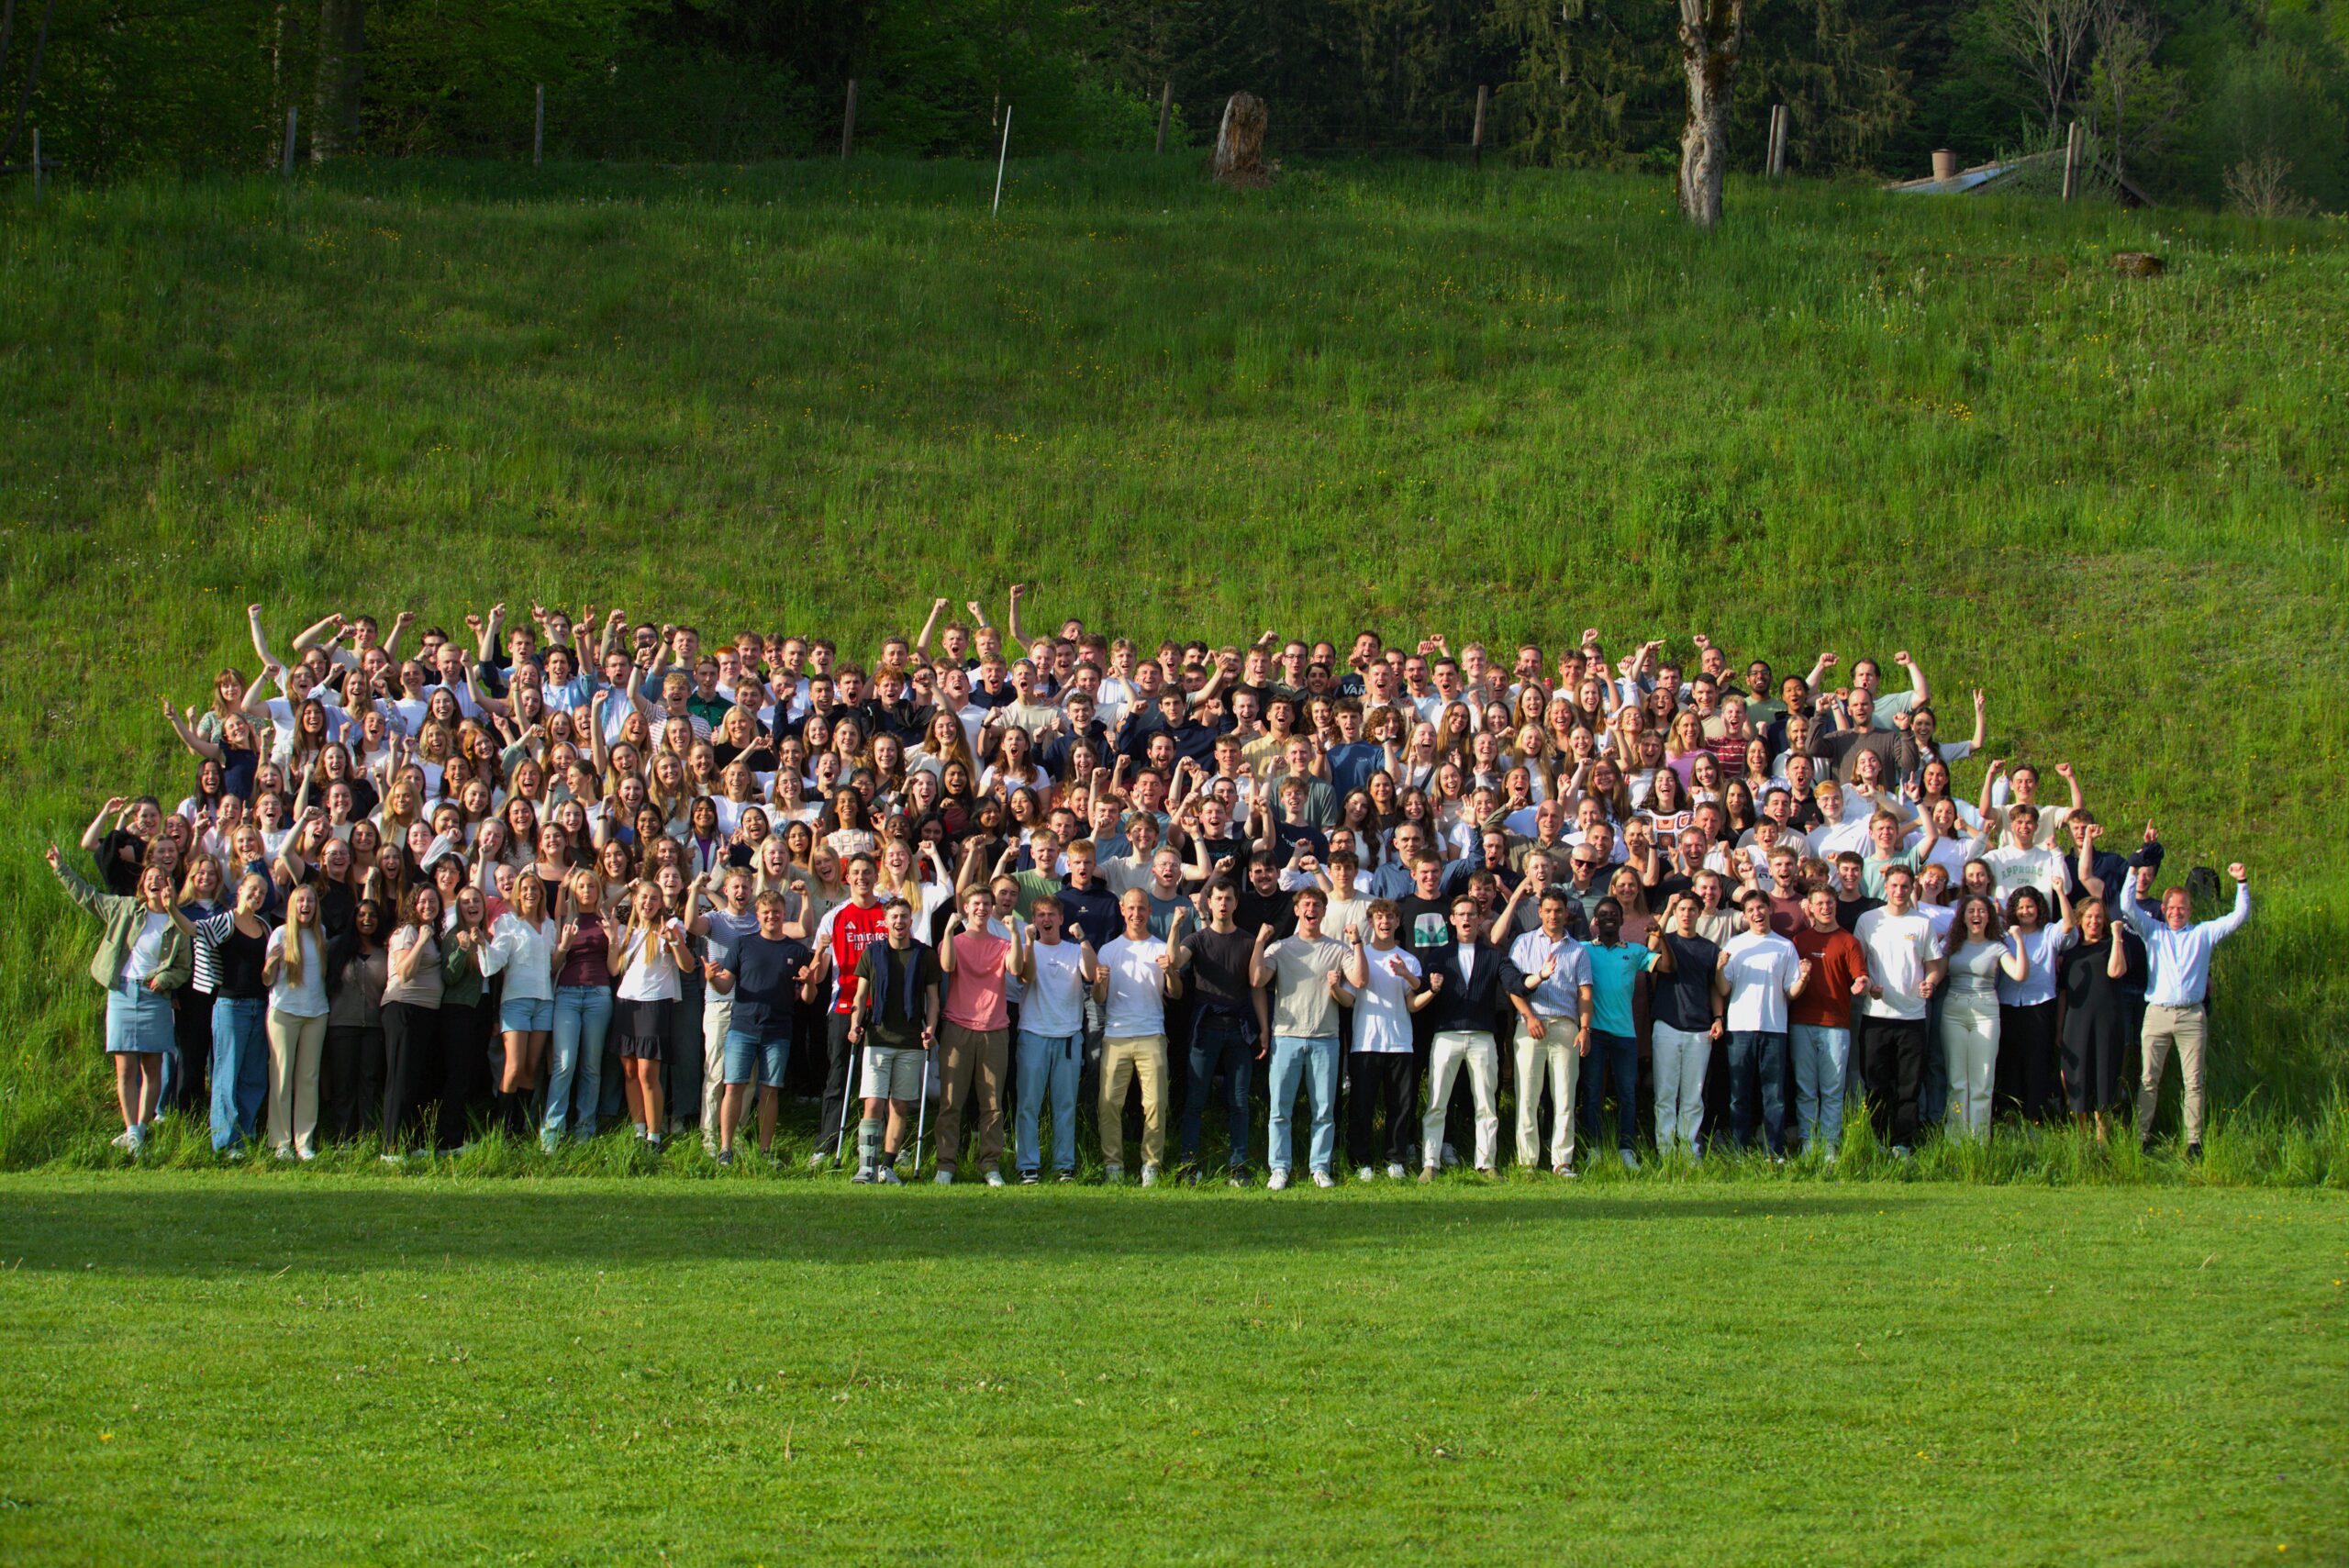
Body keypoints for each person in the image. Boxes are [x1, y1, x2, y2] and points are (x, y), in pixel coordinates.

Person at [44, 844, 191, 1155]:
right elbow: (89, 897)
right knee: (125, 1069)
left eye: (161, 879)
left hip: (155, 996)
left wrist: (165, 980)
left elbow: (183, 968)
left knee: (152, 1067)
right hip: (122, 993)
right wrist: (61, 869)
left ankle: (141, 1129)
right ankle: (132, 1130)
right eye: (150, 878)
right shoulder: (125, 909)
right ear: (143, 886)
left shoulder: (177, 922)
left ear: (169, 886)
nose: (155, 882)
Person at [2120, 860, 2250, 1160]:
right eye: (2172, 908)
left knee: (2194, 1082)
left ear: (2190, 910)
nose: (2177, 912)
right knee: (2148, 1080)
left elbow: (2239, 917)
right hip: (2157, 1014)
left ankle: (2194, 1142)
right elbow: (2127, 905)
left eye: (2182, 908)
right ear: (2163, 910)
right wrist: (2133, 870)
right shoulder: (2153, 931)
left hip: (2191, 1016)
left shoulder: (2203, 934)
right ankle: (2141, 1137)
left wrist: (2242, 883)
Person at [707, 891, 818, 1165]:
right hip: (742, 1027)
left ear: (784, 914)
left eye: (776, 912)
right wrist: (711, 978)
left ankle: (765, 1151)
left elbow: (808, 998)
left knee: (770, 1091)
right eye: (766, 912)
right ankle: (725, 1149)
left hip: (778, 1030)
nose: (771, 917)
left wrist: (810, 982)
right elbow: (725, 985)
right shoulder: (743, 944)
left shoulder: (796, 950)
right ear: (757, 916)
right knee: (733, 1087)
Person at [1252, 885, 1352, 1190]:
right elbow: (1256, 979)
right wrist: (1260, 942)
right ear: (1297, 911)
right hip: (1286, 1038)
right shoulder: (1280, 948)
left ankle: (1320, 1167)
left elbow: (1357, 985)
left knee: (1323, 1111)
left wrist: (1357, 944)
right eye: (1306, 904)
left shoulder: (1339, 949)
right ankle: (1279, 1168)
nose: (1311, 909)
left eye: (1317, 905)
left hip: (1325, 1038)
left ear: (1324, 911)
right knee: (1280, 1110)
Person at [1418, 894, 1520, 1179]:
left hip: (1482, 1035)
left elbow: (1514, 983)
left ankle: (1487, 1163)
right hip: (1446, 1034)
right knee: (1437, 1102)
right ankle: (1430, 1163)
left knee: (1486, 1103)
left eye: (1471, 914)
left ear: (1478, 919)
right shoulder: (1438, 956)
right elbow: (1422, 991)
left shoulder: (1494, 955)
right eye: (1461, 914)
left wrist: (1539, 977)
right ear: (1452, 920)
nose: (1466, 919)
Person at [846, 897, 941, 1183]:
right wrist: (854, 1025)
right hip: (877, 1038)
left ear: (911, 920)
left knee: (900, 1105)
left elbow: (933, 1000)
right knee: (873, 1104)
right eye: (894, 917)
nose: (899, 922)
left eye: (904, 917)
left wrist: (931, 1029)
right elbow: (860, 995)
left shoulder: (925, 955)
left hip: (911, 1041)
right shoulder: (873, 952)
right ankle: (867, 1167)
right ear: (885, 921)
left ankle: (886, 1166)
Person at [1180, 879, 1267, 1184]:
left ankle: (1238, 1166)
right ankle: (1188, 1164)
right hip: (1205, 1028)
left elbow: (1256, 987)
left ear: (1235, 903)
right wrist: (1175, 928)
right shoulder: (1197, 939)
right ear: (1210, 903)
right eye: (1218, 898)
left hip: (1240, 1030)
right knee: (1195, 1100)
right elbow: (1177, 960)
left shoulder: (1248, 941)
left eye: (1228, 899)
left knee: (1239, 1102)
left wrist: (1264, 1028)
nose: (1223, 904)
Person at [933, 885, 1019, 1186]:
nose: (982, 908)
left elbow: (1016, 968)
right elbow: (947, 966)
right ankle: (946, 1164)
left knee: (992, 1104)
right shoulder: (954, 941)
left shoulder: (1002, 943)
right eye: (976, 904)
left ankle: (990, 1165)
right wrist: (948, 931)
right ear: (966, 908)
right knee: (950, 1102)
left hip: (994, 1029)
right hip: (958, 1029)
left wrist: (1015, 935)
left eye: (986, 903)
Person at [1854, 865, 1942, 1158]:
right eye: (1894, 885)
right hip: (1875, 1015)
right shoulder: (1868, 920)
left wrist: (1931, 982)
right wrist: (1868, 985)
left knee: (1909, 1086)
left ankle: (1902, 1144)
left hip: (1912, 1017)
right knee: (1876, 1084)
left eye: (1905, 886)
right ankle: (1878, 1140)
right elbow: (1857, 963)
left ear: (1912, 887)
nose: (1899, 891)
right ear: (1885, 886)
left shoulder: (1922, 923)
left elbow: (1934, 964)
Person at [809, 853, 890, 1170]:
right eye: (855, 872)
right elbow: (819, 973)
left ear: (875, 876)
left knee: (882, 1080)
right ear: (847, 878)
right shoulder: (835, 916)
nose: (861, 878)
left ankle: (887, 1146)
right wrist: (818, 952)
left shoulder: (888, 911)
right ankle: (827, 1144)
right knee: (838, 1076)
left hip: (882, 1007)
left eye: (867, 872)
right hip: (844, 1004)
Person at [1097, 888, 1181, 1184]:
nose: (1136, 914)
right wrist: (1099, 982)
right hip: (1116, 1035)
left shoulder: (1160, 949)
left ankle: (1151, 1166)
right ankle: (1113, 1166)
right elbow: (1099, 998)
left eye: (1142, 908)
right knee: (1109, 1104)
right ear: (1122, 909)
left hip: (1151, 1034)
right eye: (1131, 908)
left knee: (1156, 1104)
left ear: (1150, 911)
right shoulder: (1108, 950)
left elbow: (1176, 993)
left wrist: (1171, 972)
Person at [1010, 896, 1096, 1183]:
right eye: (1040, 915)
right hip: (1033, 1034)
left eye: (1051, 915)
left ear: (1061, 919)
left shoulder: (1074, 950)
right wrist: (1029, 943)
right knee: (1028, 1105)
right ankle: (1028, 1165)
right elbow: (1026, 977)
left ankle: (1064, 1165)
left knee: (1065, 1105)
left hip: (1068, 1036)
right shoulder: (1027, 948)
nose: (1046, 920)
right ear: (1034, 920)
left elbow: (1092, 973)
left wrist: (1083, 939)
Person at [1508, 890, 1593, 1174]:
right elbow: (1513, 987)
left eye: (1558, 910)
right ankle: (1527, 1162)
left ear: (1566, 913)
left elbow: (1584, 993)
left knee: (1565, 1097)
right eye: (1548, 910)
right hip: (1530, 1024)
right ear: (1540, 912)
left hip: (1565, 1026)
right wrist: (1529, 1017)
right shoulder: (1524, 942)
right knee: (1527, 1096)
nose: (1553, 915)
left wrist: (1584, 1028)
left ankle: (1562, 1161)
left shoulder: (1578, 950)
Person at [1341, 901, 1423, 1180]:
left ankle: (1395, 1159)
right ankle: (1360, 1161)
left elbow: (1412, 1003)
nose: (1385, 922)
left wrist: (1410, 977)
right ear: (1371, 922)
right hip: (1365, 1042)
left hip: (1400, 1042)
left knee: (1400, 1106)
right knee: (1362, 1106)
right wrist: (1332, 986)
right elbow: (1349, 998)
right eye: (1379, 917)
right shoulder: (1359, 955)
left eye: (1390, 917)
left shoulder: (1408, 960)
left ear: (1398, 922)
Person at [1786, 884, 1867, 1162]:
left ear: (1836, 905)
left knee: (1832, 1090)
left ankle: (1830, 1144)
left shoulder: (1848, 941)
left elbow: (1860, 976)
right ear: (1810, 907)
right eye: (1819, 903)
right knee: (1806, 1089)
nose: (1825, 908)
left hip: (1836, 1024)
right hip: (1802, 1022)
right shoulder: (1799, 941)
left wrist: (1861, 984)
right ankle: (1809, 1142)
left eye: (1829, 903)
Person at [1939, 893, 2026, 1140]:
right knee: (1957, 1080)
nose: (1976, 915)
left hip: (1986, 1011)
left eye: (1981, 911)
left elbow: (2019, 974)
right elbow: (1937, 973)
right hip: (1954, 1010)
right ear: (1963, 917)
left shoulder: (1997, 947)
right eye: (1971, 911)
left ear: (1989, 917)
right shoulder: (1951, 945)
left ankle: (1978, 1143)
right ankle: (1956, 1142)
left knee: (1982, 1080)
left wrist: (2018, 941)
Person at [2056, 890, 2141, 1143]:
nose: (2094, 921)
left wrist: (2117, 937)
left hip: (2107, 1022)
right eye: (2089, 917)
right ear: (2080, 919)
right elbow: (2063, 993)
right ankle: (2081, 1135)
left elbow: (2116, 971)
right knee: (2074, 1076)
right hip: (2076, 1022)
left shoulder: (2112, 946)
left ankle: (2102, 1136)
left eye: (2099, 917)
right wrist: (2059, 1029)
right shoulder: (2070, 953)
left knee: (2104, 1074)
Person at [1579, 895, 1655, 1172]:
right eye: (1603, 914)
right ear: (1595, 921)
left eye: (1614, 914)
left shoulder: (1635, 951)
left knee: (1627, 1094)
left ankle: (1626, 1149)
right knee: (1592, 1093)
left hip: (1625, 1034)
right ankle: (1594, 1148)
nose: (1609, 918)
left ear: (1622, 920)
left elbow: (1665, 965)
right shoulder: (1583, 950)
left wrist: (1660, 936)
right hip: (1595, 1032)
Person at [1644, 892, 1719, 1160]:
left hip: (1700, 1029)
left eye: (1691, 909)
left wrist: (1718, 1018)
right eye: (1682, 909)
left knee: (1692, 1096)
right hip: (1667, 1025)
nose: (1686, 914)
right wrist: (1667, 910)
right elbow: (1650, 947)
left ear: (1699, 913)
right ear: (1675, 913)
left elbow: (1714, 987)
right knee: (1665, 1095)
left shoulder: (1710, 948)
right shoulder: (1666, 941)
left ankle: (1689, 1152)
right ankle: (1665, 1152)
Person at [545, 870, 614, 1151]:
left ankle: (585, 1129)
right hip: (567, 994)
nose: (586, 890)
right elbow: (553, 966)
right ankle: (551, 1132)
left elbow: (614, 967)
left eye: (591, 886)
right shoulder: (565, 918)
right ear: (574, 891)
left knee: (591, 1066)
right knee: (564, 1063)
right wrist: (564, 945)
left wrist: (613, 938)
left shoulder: (607, 918)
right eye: (581, 886)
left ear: (598, 890)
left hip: (599, 993)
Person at [261, 884, 331, 1160]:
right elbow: (267, 979)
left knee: (308, 1078)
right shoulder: (280, 934)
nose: (306, 905)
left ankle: (304, 1142)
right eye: (301, 900)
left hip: (316, 1013)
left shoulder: (321, 933)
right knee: (281, 1076)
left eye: (310, 901)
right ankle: (280, 1142)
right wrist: (271, 962)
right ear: (292, 905)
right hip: (284, 1012)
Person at [380, 884, 445, 1158]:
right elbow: (405, 972)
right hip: (403, 1009)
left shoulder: (432, 934)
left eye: (433, 901)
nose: (428, 905)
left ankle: (412, 1144)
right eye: (422, 901)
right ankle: (391, 1149)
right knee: (400, 1078)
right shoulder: (407, 931)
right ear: (413, 905)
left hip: (426, 1013)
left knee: (417, 1081)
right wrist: (420, 941)